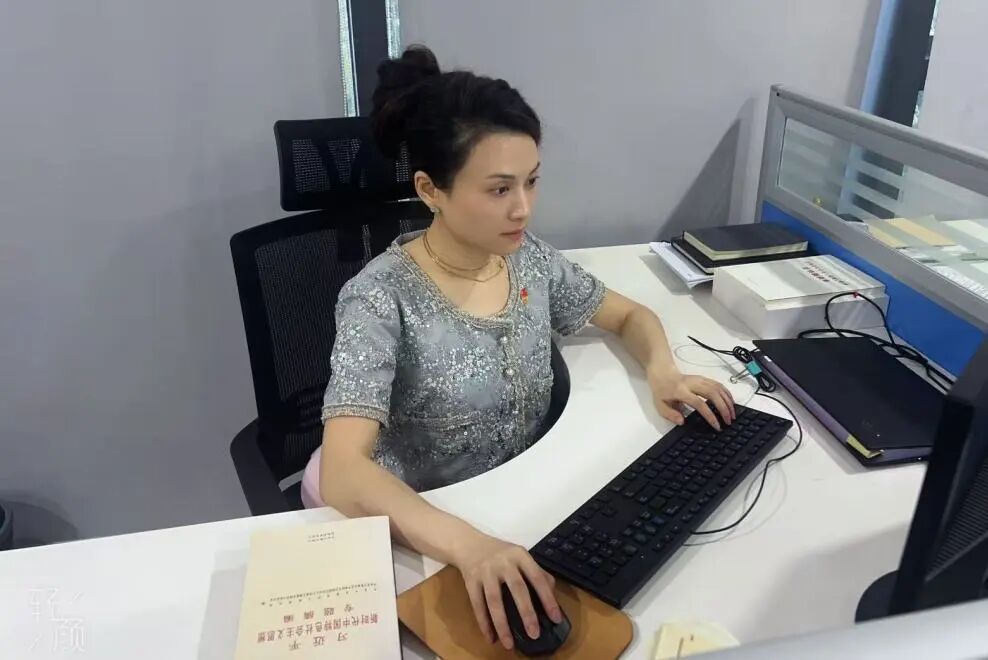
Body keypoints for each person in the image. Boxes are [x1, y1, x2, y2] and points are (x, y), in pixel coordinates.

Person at [299, 45, 735, 651]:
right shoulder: (378, 298)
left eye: (531, 181)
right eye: (499, 188)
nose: (523, 207)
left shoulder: (527, 258)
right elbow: (344, 471)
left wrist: (665, 372)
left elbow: (630, 314)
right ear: (431, 189)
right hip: (425, 527)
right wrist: (470, 546)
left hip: (521, 506)